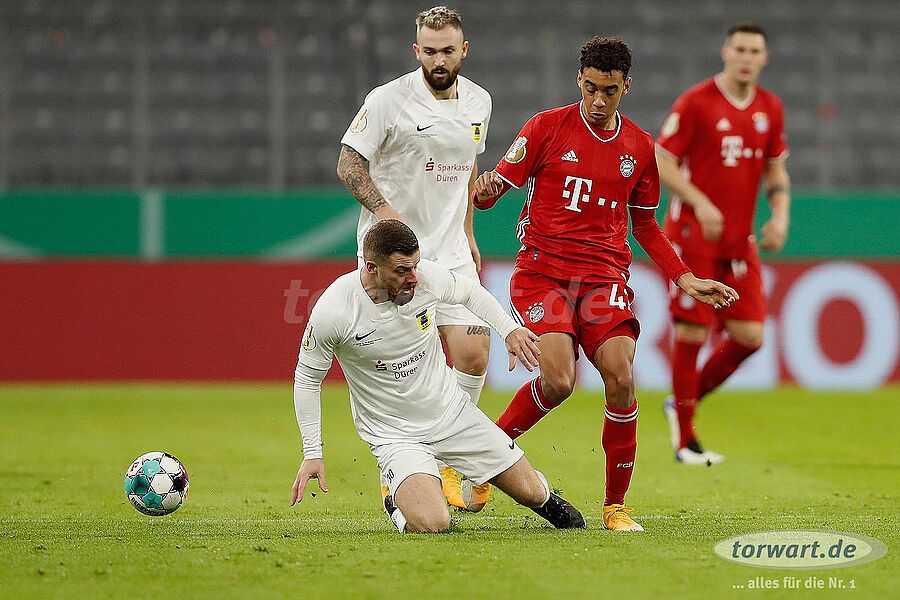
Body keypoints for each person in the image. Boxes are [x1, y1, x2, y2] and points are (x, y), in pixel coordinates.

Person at [472, 37, 739, 532]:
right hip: (543, 274)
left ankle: (615, 506)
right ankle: (486, 453)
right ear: (579, 79)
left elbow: (646, 225)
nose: (598, 100)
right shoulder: (546, 128)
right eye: (591, 88)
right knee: (559, 380)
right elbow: (492, 192)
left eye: (609, 91)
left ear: (626, 87)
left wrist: (685, 278)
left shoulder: (639, 147)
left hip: (603, 280)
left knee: (621, 377)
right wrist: (485, 192)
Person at [289, 220, 586, 533]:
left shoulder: (426, 279)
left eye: (415, 266)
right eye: (402, 270)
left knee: (535, 495)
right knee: (434, 523)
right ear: (372, 267)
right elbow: (307, 380)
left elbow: (471, 293)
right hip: (395, 435)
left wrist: (509, 330)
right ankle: (396, 503)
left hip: (451, 414)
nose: (413, 278)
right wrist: (313, 453)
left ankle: (537, 493)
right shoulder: (334, 310)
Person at [336, 5, 493, 509]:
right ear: (416, 50)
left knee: (474, 353)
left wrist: (468, 231)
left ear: (463, 49)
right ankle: (399, 467)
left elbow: (469, 166)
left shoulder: (480, 101)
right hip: (394, 259)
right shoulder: (388, 101)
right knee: (399, 370)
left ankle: (447, 458)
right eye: (429, 51)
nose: (439, 61)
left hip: (450, 252)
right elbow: (348, 163)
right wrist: (385, 213)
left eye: (447, 51)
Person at [655, 23, 791, 465]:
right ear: (726, 52)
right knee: (692, 331)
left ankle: (682, 401)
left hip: (738, 241)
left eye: (755, 51)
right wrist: (700, 202)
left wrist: (780, 217)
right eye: (740, 49)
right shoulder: (696, 102)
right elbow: (662, 160)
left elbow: (775, 169)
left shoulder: (770, 107)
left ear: (764, 58)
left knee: (750, 337)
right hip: (692, 236)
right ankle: (685, 440)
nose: (747, 58)